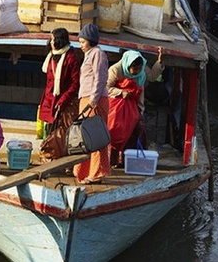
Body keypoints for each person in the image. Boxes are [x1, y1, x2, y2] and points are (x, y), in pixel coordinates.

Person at [106, 47, 164, 160]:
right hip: (117, 107)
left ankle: (130, 158)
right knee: (116, 130)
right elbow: (106, 87)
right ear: (128, 66)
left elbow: (152, 76)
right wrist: (121, 92)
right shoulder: (115, 70)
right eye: (135, 69)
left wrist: (159, 62)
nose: (137, 72)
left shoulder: (142, 69)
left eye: (139, 69)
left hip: (135, 105)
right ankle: (113, 158)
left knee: (137, 130)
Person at [73, 23, 111, 184]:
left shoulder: (98, 54)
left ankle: (96, 174)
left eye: (82, 42)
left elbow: (100, 78)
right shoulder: (90, 54)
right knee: (85, 137)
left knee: (96, 137)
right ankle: (84, 171)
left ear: (90, 41)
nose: (81, 45)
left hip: (94, 100)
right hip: (86, 98)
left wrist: (94, 99)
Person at [38, 27, 83, 161]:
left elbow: (75, 84)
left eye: (53, 39)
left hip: (66, 101)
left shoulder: (71, 58)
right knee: (49, 129)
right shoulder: (51, 56)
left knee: (64, 131)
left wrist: (62, 101)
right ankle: (49, 155)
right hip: (49, 99)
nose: (50, 42)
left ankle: (63, 160)